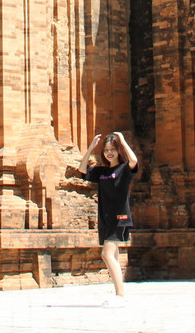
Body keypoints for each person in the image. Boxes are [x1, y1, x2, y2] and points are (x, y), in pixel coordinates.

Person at [78, 130, 139, 303]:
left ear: (118, 150)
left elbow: (134, 161)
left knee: (106, 254)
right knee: (114, 256)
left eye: (113, 149)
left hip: (120, 218)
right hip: (106, 219)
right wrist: (90, 148)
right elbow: (82, 170)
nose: (109, 152)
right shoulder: (102, 172)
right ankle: (120, 292)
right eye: (106, 150)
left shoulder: (124, 169)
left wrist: (123, 141)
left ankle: (120, 295)